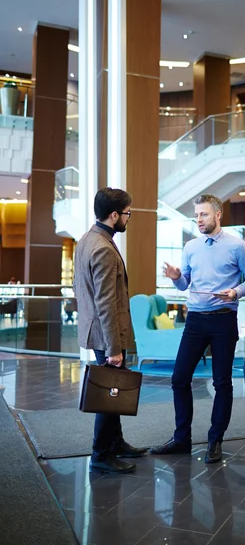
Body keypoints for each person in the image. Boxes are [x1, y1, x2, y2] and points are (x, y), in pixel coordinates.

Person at [150, 194, 245, 463]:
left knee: (222, 382)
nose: (198, 219)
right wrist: (177, 278)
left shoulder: (237, 246)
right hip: (196, 320)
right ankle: (181, 439)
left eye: (204, 214)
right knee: (179, 378)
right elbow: (185, 284)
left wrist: (235, 292)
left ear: (218, 215)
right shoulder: (190, 247)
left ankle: (215, 440)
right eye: (196, 215)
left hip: (223, 320)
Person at [74, 187, 148, 474]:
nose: (128, 219)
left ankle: (115, 442)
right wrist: (114, 348)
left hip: (98, 329)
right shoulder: (103, 248)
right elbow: (105, 301)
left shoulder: (88, 239)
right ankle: (101, 454)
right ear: (114, 215)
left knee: (113, 390)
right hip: (108, 333)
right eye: (127, 213)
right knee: (109, 393)